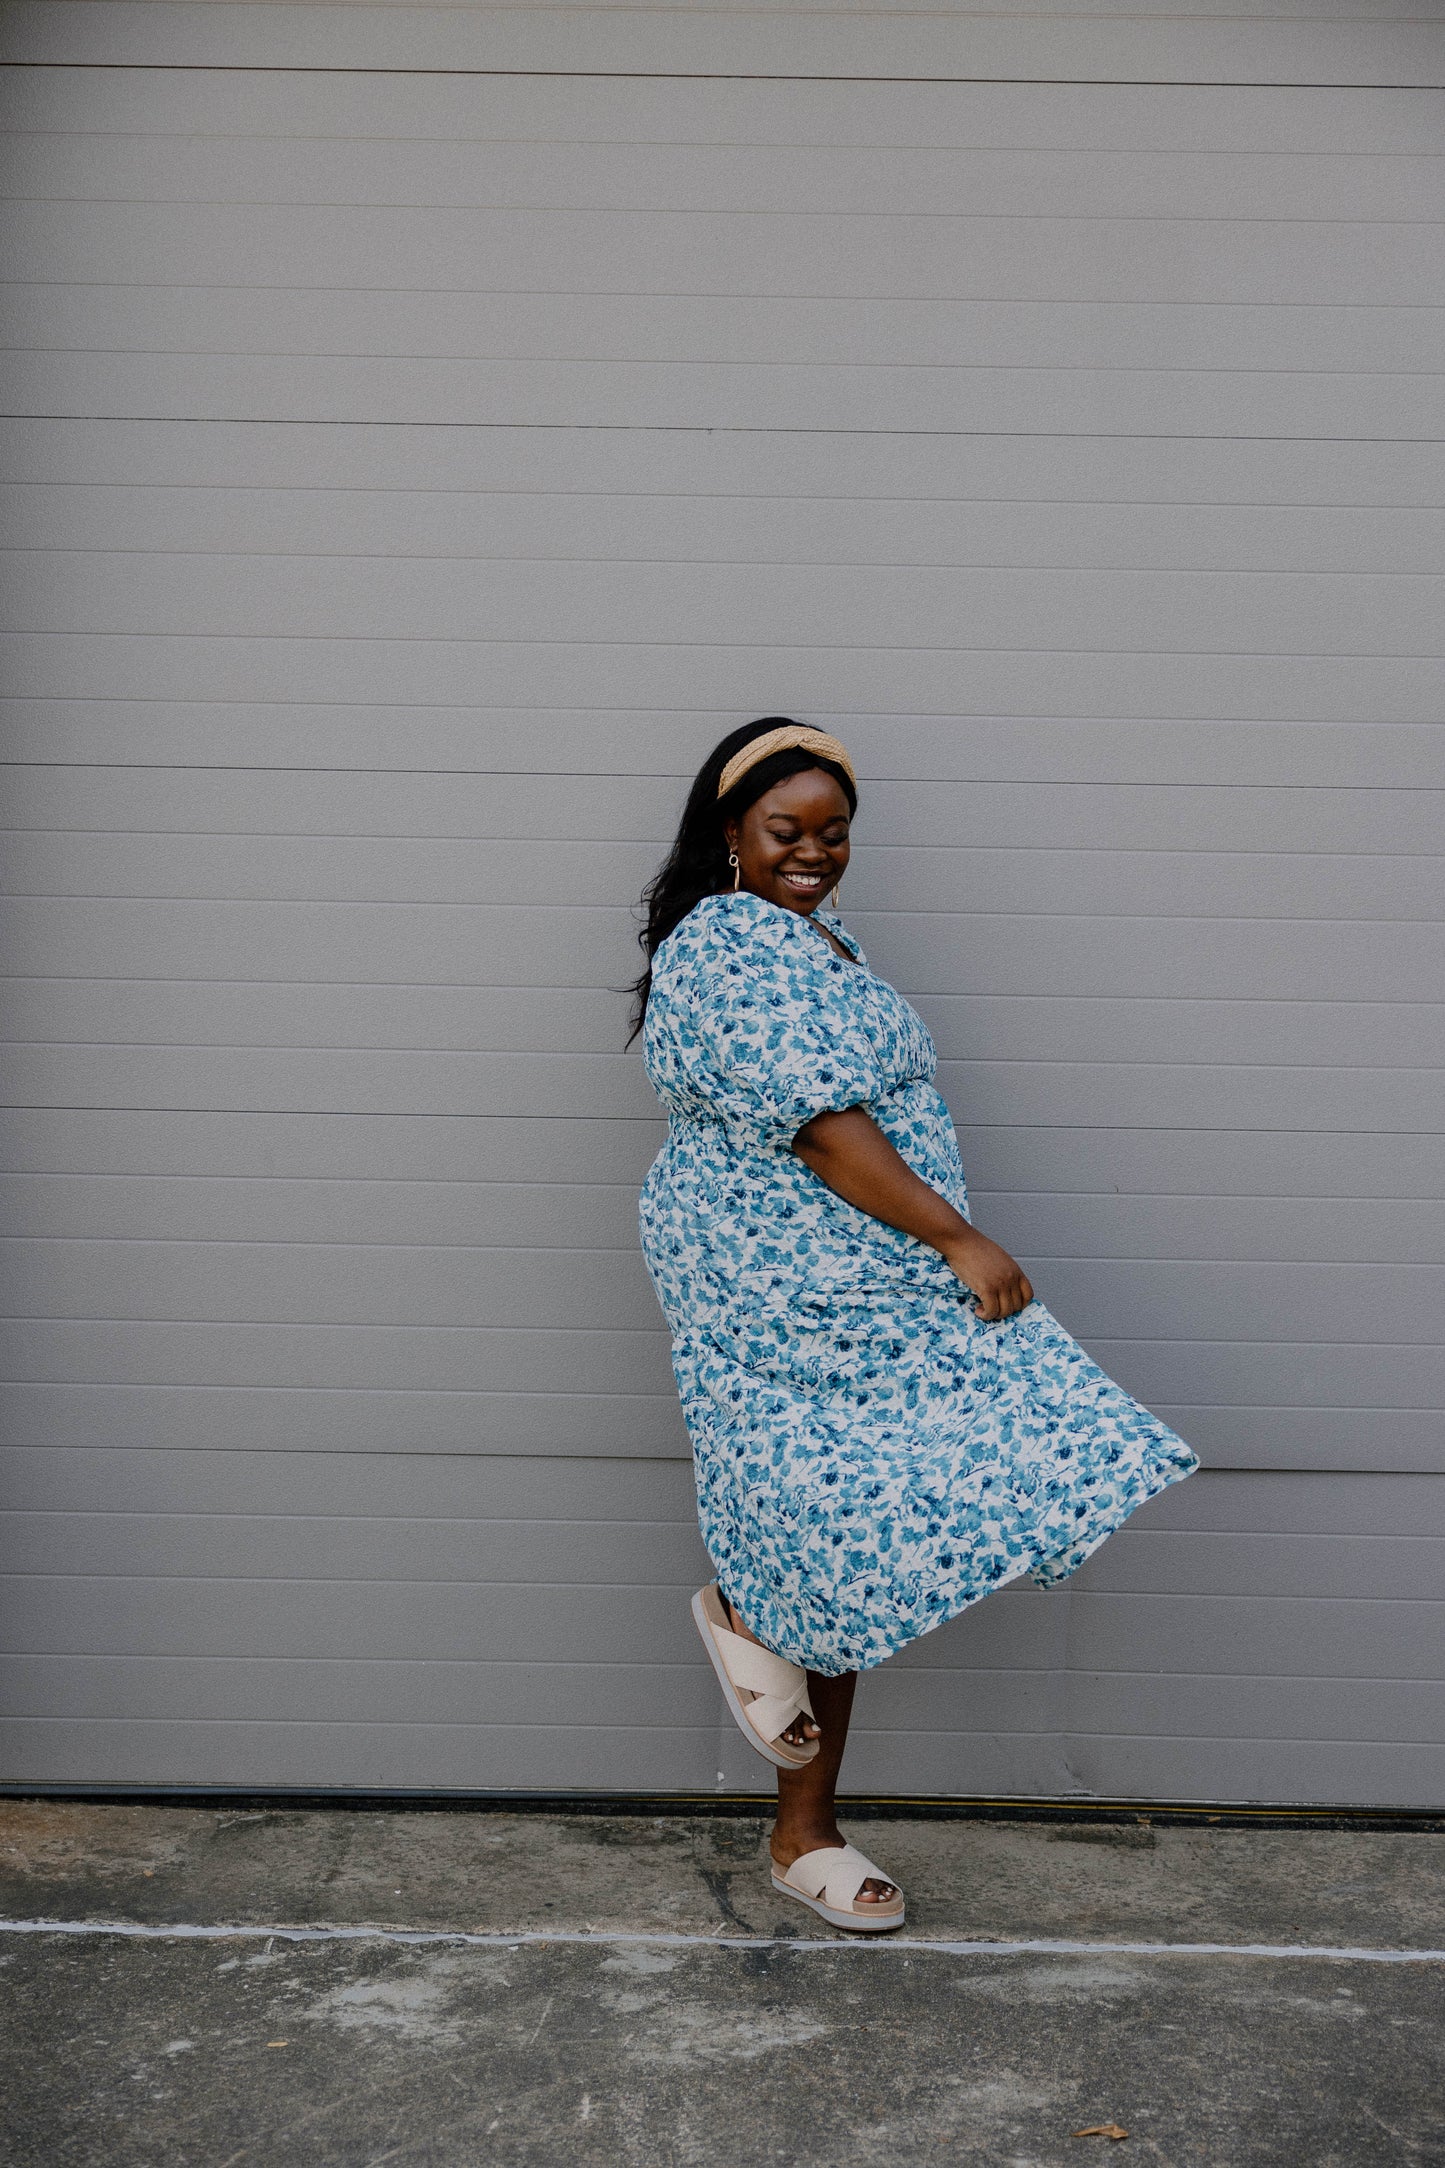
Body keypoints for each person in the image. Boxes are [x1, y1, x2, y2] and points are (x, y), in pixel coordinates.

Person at [630, 718, 1198, 1932]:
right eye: (786, 829)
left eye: (834, 832)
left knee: (852, 1519)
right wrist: (955, 1237)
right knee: (818, 1508)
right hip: (775, 1276)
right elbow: (820, 1122)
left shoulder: (816, 942)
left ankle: (797, 1810)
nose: (812, 852)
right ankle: (788, 1765)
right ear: (729, 831)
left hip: (857, 1268)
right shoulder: (726, 939)